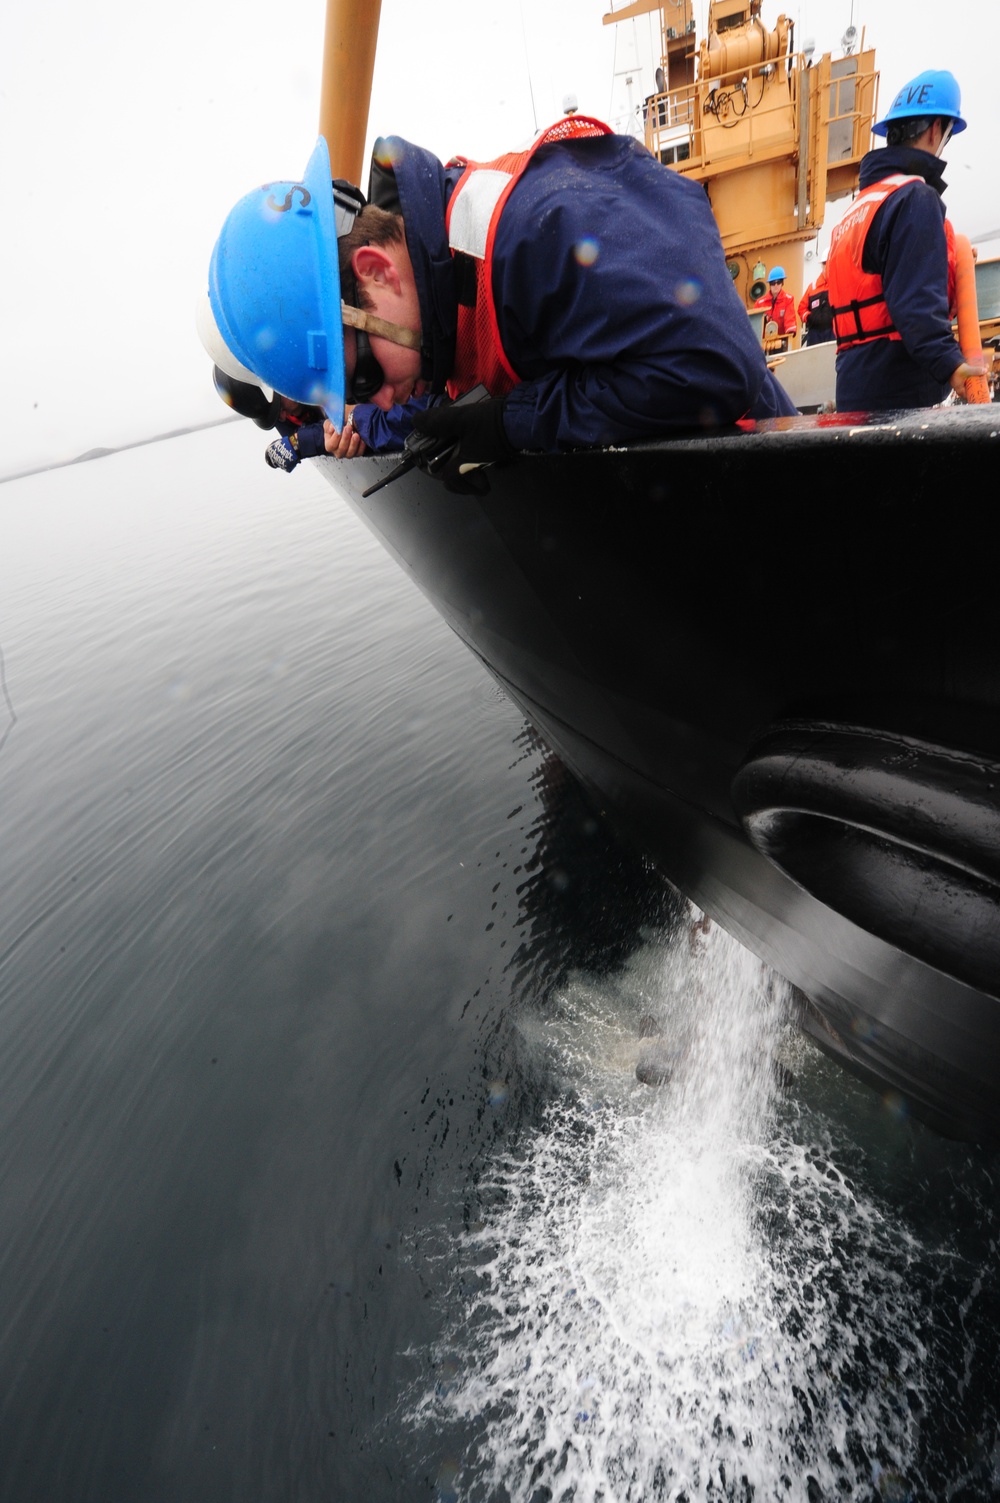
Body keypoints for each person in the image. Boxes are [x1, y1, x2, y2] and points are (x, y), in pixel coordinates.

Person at [207, 117, 797, 490]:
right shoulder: (437, 296)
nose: (378, 402)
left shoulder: (540, 239)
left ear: (376, 273)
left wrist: (511, 423)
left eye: (362, 380)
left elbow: (715, 370)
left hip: (772, 487)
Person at [826, 68, 986, 412]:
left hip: (853, 387)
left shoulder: (856, 210)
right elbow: (915, 305)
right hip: (902, 390)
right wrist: (951, 365)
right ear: (935, 131)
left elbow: (881, 291)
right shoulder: (915, 197)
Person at [753, 268, 798, 351]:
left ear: (782, 283)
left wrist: (790, 334)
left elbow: (790, 318)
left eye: (779, 282)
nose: (776, 285)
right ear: (770, 284)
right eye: (773, 283)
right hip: (763, 345)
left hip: (781, 342)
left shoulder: (788, 299)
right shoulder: (760, 303)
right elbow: (755, 325)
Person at [797, 263, 834, 347]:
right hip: (814, 333)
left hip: (833, 331)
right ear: (822, 267)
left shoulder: (837, 285)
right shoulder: (813, 287)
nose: (827, 267)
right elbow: (801, 308)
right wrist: (808, 317)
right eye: (825, 264)